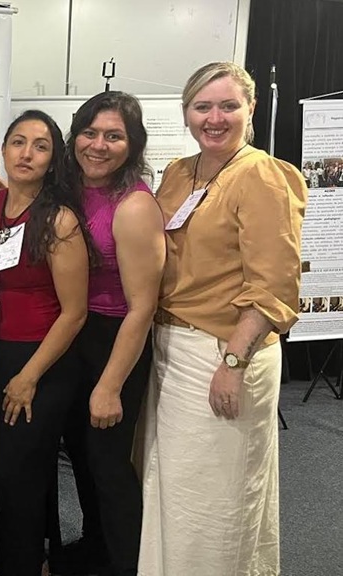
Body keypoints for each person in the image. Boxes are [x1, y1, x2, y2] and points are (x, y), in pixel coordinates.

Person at [138, 61, 307, 576]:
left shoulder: (262, 175)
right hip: (171, 347)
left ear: (250, 109)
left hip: (225, 351)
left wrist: (234, 362)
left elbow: (274, 285)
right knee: (174, 488)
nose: (214, 118)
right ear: (186, 113)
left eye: (228, 106)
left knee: (218, 499)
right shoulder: (179, 172)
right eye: (202, 107)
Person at [54, 92, 165, 576]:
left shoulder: (135, 205)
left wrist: (110, 385)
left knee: (109, 463)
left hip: (116, 338)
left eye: (113, 136)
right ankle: (95, 548)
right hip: (74, 333)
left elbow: (143, 307)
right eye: (90, 133)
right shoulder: (70, 187)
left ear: (132, 144)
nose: (98, 145)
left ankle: (127, 564)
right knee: (81, 456)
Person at [0, 110, 90, 576]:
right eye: (18, 142)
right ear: (3, 149)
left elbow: (75, 312)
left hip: (41, 359)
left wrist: (28, 376)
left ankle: (16, 566)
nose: (27, 153)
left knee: (17, 474)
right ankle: (37, 559)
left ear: (53, 159)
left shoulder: (59, 220)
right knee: (23, 469)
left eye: (40, 146)